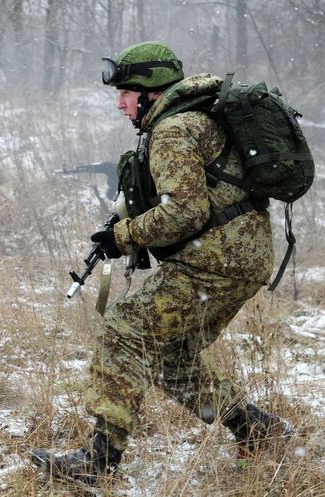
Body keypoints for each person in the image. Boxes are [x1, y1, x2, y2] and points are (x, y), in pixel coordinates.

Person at [30, 41, 293, 484]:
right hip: (237, 258)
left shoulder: (174, 129)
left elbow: (185, 211)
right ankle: (257, 429)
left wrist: (123, 236)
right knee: (171, 356)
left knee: (125, 331)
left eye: (126, 93)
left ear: (150, 92)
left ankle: (98, 464)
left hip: (215, 262)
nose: (119, 103)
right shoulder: (194, 118)